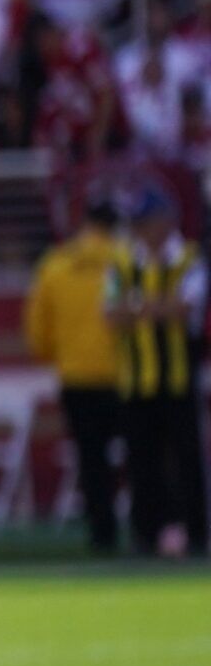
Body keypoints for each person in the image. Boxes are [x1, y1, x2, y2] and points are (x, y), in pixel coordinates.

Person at [25, 196, 127, 552]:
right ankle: (155, 529)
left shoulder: (57, 263)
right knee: (142, 455)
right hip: (126, 374)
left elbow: (37, 327)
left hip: (76, 377)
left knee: (91, 461)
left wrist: (57, 354)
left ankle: (102, 534)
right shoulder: (124, 259)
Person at [107, 191, 205, 557]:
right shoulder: (122, 262)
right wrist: (154, 307)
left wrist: (138, 307)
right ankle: (145, 535)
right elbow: (110, 313)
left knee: (186, 459)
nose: (141, 231)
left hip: (177, 379)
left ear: (165, 222)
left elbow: (185, 307)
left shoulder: (188, 258)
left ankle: (196, 533)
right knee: (141, 461)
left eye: (146, 223)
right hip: (136, 380)